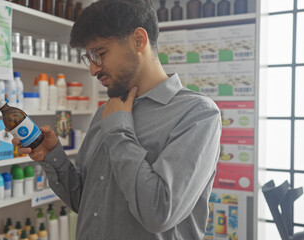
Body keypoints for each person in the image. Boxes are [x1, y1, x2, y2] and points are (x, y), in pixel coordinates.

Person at [13, 0, 221, 238]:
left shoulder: (197, 114)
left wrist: (119, 130)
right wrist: (53, 156)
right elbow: (88, 202)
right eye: (88, 58)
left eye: (99, 53)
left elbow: (159, 212)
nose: (93, 69)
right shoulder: (107, 112)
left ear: (138, 41)